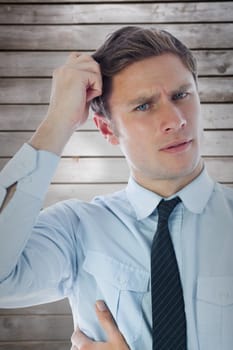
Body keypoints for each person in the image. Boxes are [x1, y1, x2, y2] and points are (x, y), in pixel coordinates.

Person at [0, 26, 233, 350]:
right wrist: (57, 122)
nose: (175, 119)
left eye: (181, 95)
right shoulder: (76, 229)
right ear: (107, 129)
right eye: (144, 106)